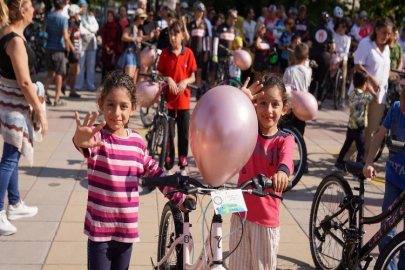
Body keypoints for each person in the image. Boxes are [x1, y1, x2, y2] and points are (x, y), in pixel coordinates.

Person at [72, 70, 195, 269]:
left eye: (123, 106)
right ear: (101, 103)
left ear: (133, 108)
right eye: (110, 104)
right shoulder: (97, 137)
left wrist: (178, 197)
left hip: (126, 232)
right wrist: (80, 139)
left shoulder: (137, 141)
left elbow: (156, 173)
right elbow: (82, 143)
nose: (116, 112)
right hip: (99, 232)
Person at [231, 74, 294, 270]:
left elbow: (287, 160)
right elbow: (226, 125)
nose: (268, 110)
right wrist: (239, 101)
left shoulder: (284, 140)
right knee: (237, 266)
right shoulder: (246, 131)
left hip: (266, 221)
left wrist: (282, 173)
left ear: (284, 109)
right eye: (262, 103)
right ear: (254, 105)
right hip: (239, 214)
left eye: (275, 104)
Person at [0, 0, 48, 235]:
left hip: (12, 104)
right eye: (31, 5)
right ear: (21, 10)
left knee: (13, 153)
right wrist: (40, 111)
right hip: (15, 107)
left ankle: (16, 204)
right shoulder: (15, 40)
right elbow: (25, 82)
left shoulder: (9, 34)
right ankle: (0, 212)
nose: (34, 10)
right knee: (9, 158)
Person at [363, 89, 405, 270]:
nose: (404, 112)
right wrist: (369, 162)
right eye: (404, 107)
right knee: (387, 229)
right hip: (394, 179)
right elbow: (379, 135)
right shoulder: (395, 109)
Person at [349, 18, 396, 162]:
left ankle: (365, 162)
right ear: (376, 30)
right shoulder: (365, 44)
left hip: (379, 96)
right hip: (361, 94)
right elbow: (358, 66)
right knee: (357, 128)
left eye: (389, 34)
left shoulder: (387, 48)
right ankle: (346, 159)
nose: (386, 37)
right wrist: (372, 80)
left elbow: (384, 71)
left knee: (372, 131)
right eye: (384, 33)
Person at [156, 20, 196, 176]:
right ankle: (168, 163)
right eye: (171, 35)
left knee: (184, 133)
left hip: (184, 100)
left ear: (183, 36)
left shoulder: (189, 53)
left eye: (176, 34)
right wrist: (168, 79)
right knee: (169, 134)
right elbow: (159, 73)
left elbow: (193, 76)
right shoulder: (165, 53)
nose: (173, 38)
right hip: (168, 100)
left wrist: (186, 81)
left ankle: (183, 163)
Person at [333, 70, 377, 173]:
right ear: (365, 84)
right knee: (361, 149)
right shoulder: (364, 97)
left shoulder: (352, 94)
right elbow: (375, 99)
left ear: (353, 83)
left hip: (351, 126)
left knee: (346, 145)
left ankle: (338, 163)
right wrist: (371, 90)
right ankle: (358, 170)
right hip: (359, 127)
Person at [44, 0, 73, 106]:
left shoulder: (49, 15)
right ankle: (57, 98)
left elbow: (44, 29)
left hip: (48, 47)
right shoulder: (63, 19)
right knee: (59, 74)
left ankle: (43, 94)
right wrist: (68, 49)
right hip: (58, 49)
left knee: (50, 72)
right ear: (63, 7)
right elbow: (65, 36)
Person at [283, 43, 312, 135]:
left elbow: (284, 86)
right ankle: (300, 147)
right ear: (307, 57)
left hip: (290, 105)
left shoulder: (289, 70)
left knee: (287, 130)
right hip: (302, 106)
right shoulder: (308, 72)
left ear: (294, 55)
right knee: (299, 133)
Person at [308, 12, 335, 109]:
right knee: (322, 81)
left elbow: (309, 45)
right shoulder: (329, 32)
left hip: (314, 55)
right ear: (327, 22)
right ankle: (318, 101)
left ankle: (309, 99)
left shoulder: (313, 30)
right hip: (325, 56)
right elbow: (332, 47)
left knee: (313, 79)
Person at [75, 0, 99, 92]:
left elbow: (95, 28)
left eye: (84, 6)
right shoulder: (78, 17)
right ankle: (78, 85)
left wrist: (87, 26)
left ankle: (90, 85)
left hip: (91, 45)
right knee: (80, 66)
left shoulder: (91, 16)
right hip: (82, 44)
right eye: (81, 6)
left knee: (91, 67)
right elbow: (80, 30)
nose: (83, 8)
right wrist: (89, 29)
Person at [187, 2, 209, 100]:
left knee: (199, 72)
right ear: (195, 11)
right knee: (190, 72)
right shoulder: (190, 24)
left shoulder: (204, 24)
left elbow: (207, 39)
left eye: (202, 11)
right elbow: (188, 39)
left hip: (201, 52)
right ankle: (188, 89)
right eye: (199, 11)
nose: (201, 13)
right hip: (192, 52)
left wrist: (207, 52)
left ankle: (198, 91)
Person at [121, 8, 148, 84]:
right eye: (142, 18)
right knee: (129, 77)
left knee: (133, 78)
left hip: (135, 54)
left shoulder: (137, 28)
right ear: (136, 17)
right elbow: (123, 37)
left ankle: (130, 95)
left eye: (144, 18)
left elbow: (141, 39)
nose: (143, 19)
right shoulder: (130, 26)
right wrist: (135, 39)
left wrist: (150, 36)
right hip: (129, 53)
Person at [63, 4, 81, 98]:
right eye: (77, 13)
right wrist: (73, 50)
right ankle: (71, 90)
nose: (79, 14)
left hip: (76, 49)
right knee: (74, 71)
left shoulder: (75, 23)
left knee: (75, 71)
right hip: (73, 51)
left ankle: (65, 84)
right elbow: (68, 37)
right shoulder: (70, 24)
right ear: (74, 13)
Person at [101, 10, 121, 80]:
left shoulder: (116, 27)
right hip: (106, 52)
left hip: (114, 52)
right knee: (105, 69)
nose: (109, 17)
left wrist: (113, 50)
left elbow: (118, 39)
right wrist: (106, 48)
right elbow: (103, 39)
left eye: (111, 16)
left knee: (113, 70)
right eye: (108, 16)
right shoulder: (105, 26)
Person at [264, 5, 284, 73]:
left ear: (275, 12)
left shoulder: (278, 20)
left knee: (275, 64)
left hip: (276, 45)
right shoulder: (266, 20)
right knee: (269, 64)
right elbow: (264, 32)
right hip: (268, 45)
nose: (270, 13)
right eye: (269, 12)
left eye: (271, 12)